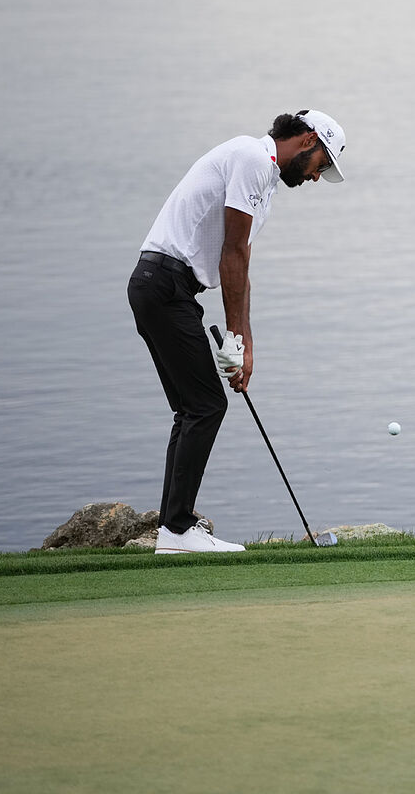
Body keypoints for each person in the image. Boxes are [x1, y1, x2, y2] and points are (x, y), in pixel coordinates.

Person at [128, 110, 347, 553]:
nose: (317, 177)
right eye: (322, 164)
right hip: (164, 284)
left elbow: (240, 265)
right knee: (205, 406)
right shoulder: (252, 157)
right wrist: (233, 338)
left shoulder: (264, 180)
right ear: (307, 141)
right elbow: (231, 253)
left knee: (194, 408)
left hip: (167, 289)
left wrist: (244, 345)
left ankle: (174, 531)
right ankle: (176, 531)